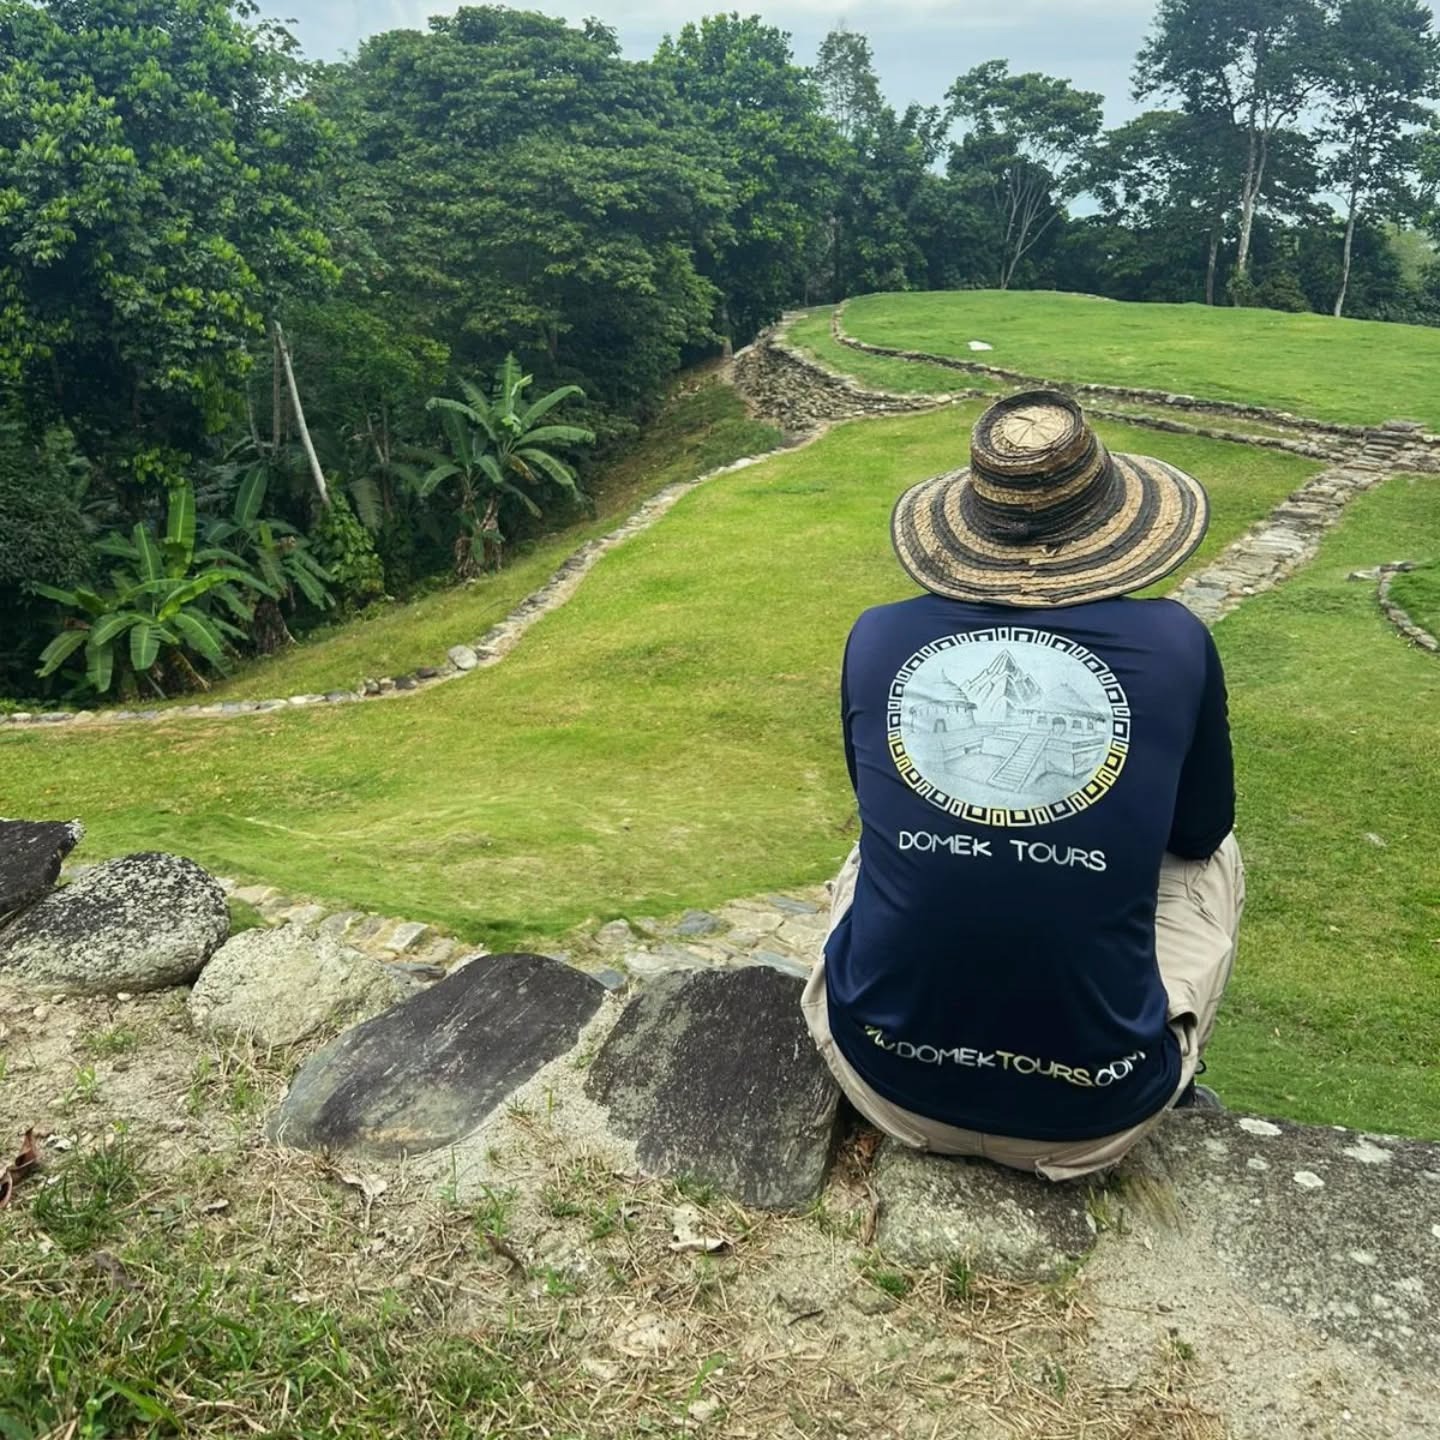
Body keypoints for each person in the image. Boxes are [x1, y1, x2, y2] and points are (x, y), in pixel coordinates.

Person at [802, 390, 1244, 1181]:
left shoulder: (878, 634)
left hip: (884, 1080)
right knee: (1219, 858)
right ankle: (1155, 1053)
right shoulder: (1175, 640)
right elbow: (1198, 832)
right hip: (1094, 1112)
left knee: (877, 843)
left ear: (972, 525)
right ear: (1116, 525)